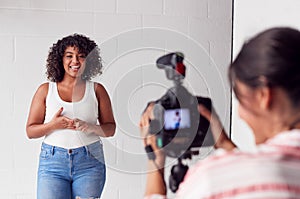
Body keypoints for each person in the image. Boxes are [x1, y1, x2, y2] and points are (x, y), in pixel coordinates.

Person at [139, 27, 300, 198]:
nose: (239, 114)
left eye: (241, 100)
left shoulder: (213, 179)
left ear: (263, 96)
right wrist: (224, 144)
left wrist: (154, 162)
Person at [26, 34, 116, 199]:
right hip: (52, 163)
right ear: (60, 59)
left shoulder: (97, 90)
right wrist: (53, 125)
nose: (75, 61)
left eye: (81, 56)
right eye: (69, 56)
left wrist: (91, 127)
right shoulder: (46, 90)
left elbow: (110, 129)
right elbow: (31, 131)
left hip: (90, 162)